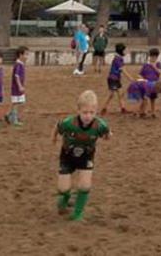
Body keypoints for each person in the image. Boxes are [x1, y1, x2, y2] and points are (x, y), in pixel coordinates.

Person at [53, 90, 110, 221]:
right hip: (67, 156)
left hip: (87, 156)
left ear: (96, 112)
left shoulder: (100, 125)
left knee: (85, 186)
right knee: (63, 189)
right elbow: (57, 127)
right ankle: (65, 198)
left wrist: (108, 136)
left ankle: (77, 214)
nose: (88, 116)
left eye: (92, 113)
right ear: (78, 111)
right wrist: (53, 138)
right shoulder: (68, 122)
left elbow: (107, 132)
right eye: (85, 112)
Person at [100, 43, 129, 116]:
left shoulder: (118, 58)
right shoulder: (118, 59)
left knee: (120, 94)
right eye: (125, 50)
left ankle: (123, 108)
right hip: (113, 78)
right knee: (111, 95)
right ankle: (103, 108)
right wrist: (131, 78)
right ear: (121, 51)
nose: (126, 51)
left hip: (115, 78)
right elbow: (123, 70)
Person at [137, 47, 161, 118]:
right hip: (146, 84)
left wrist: (154, 66)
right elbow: (140, 74)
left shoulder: (158, 64)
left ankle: (153, 112)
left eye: (155, 56)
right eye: (152, 56)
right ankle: (142, 112)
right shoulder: (146, 65)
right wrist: (142, 79)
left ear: (157, 57)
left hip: (154, 84)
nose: (153, 58)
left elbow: (160, 72)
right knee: (145, 98)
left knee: (153, 99)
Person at [8, 46, 28, 126]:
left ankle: (10, 115)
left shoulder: (20, 64)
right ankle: (14, 119)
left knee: (20, 101)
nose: (27, 56)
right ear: (20, 55)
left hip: (18, 87)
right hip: (16, 88)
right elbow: (16, 76)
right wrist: (20, 86)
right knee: (16, 103)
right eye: (26, 54)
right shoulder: (18, 65)